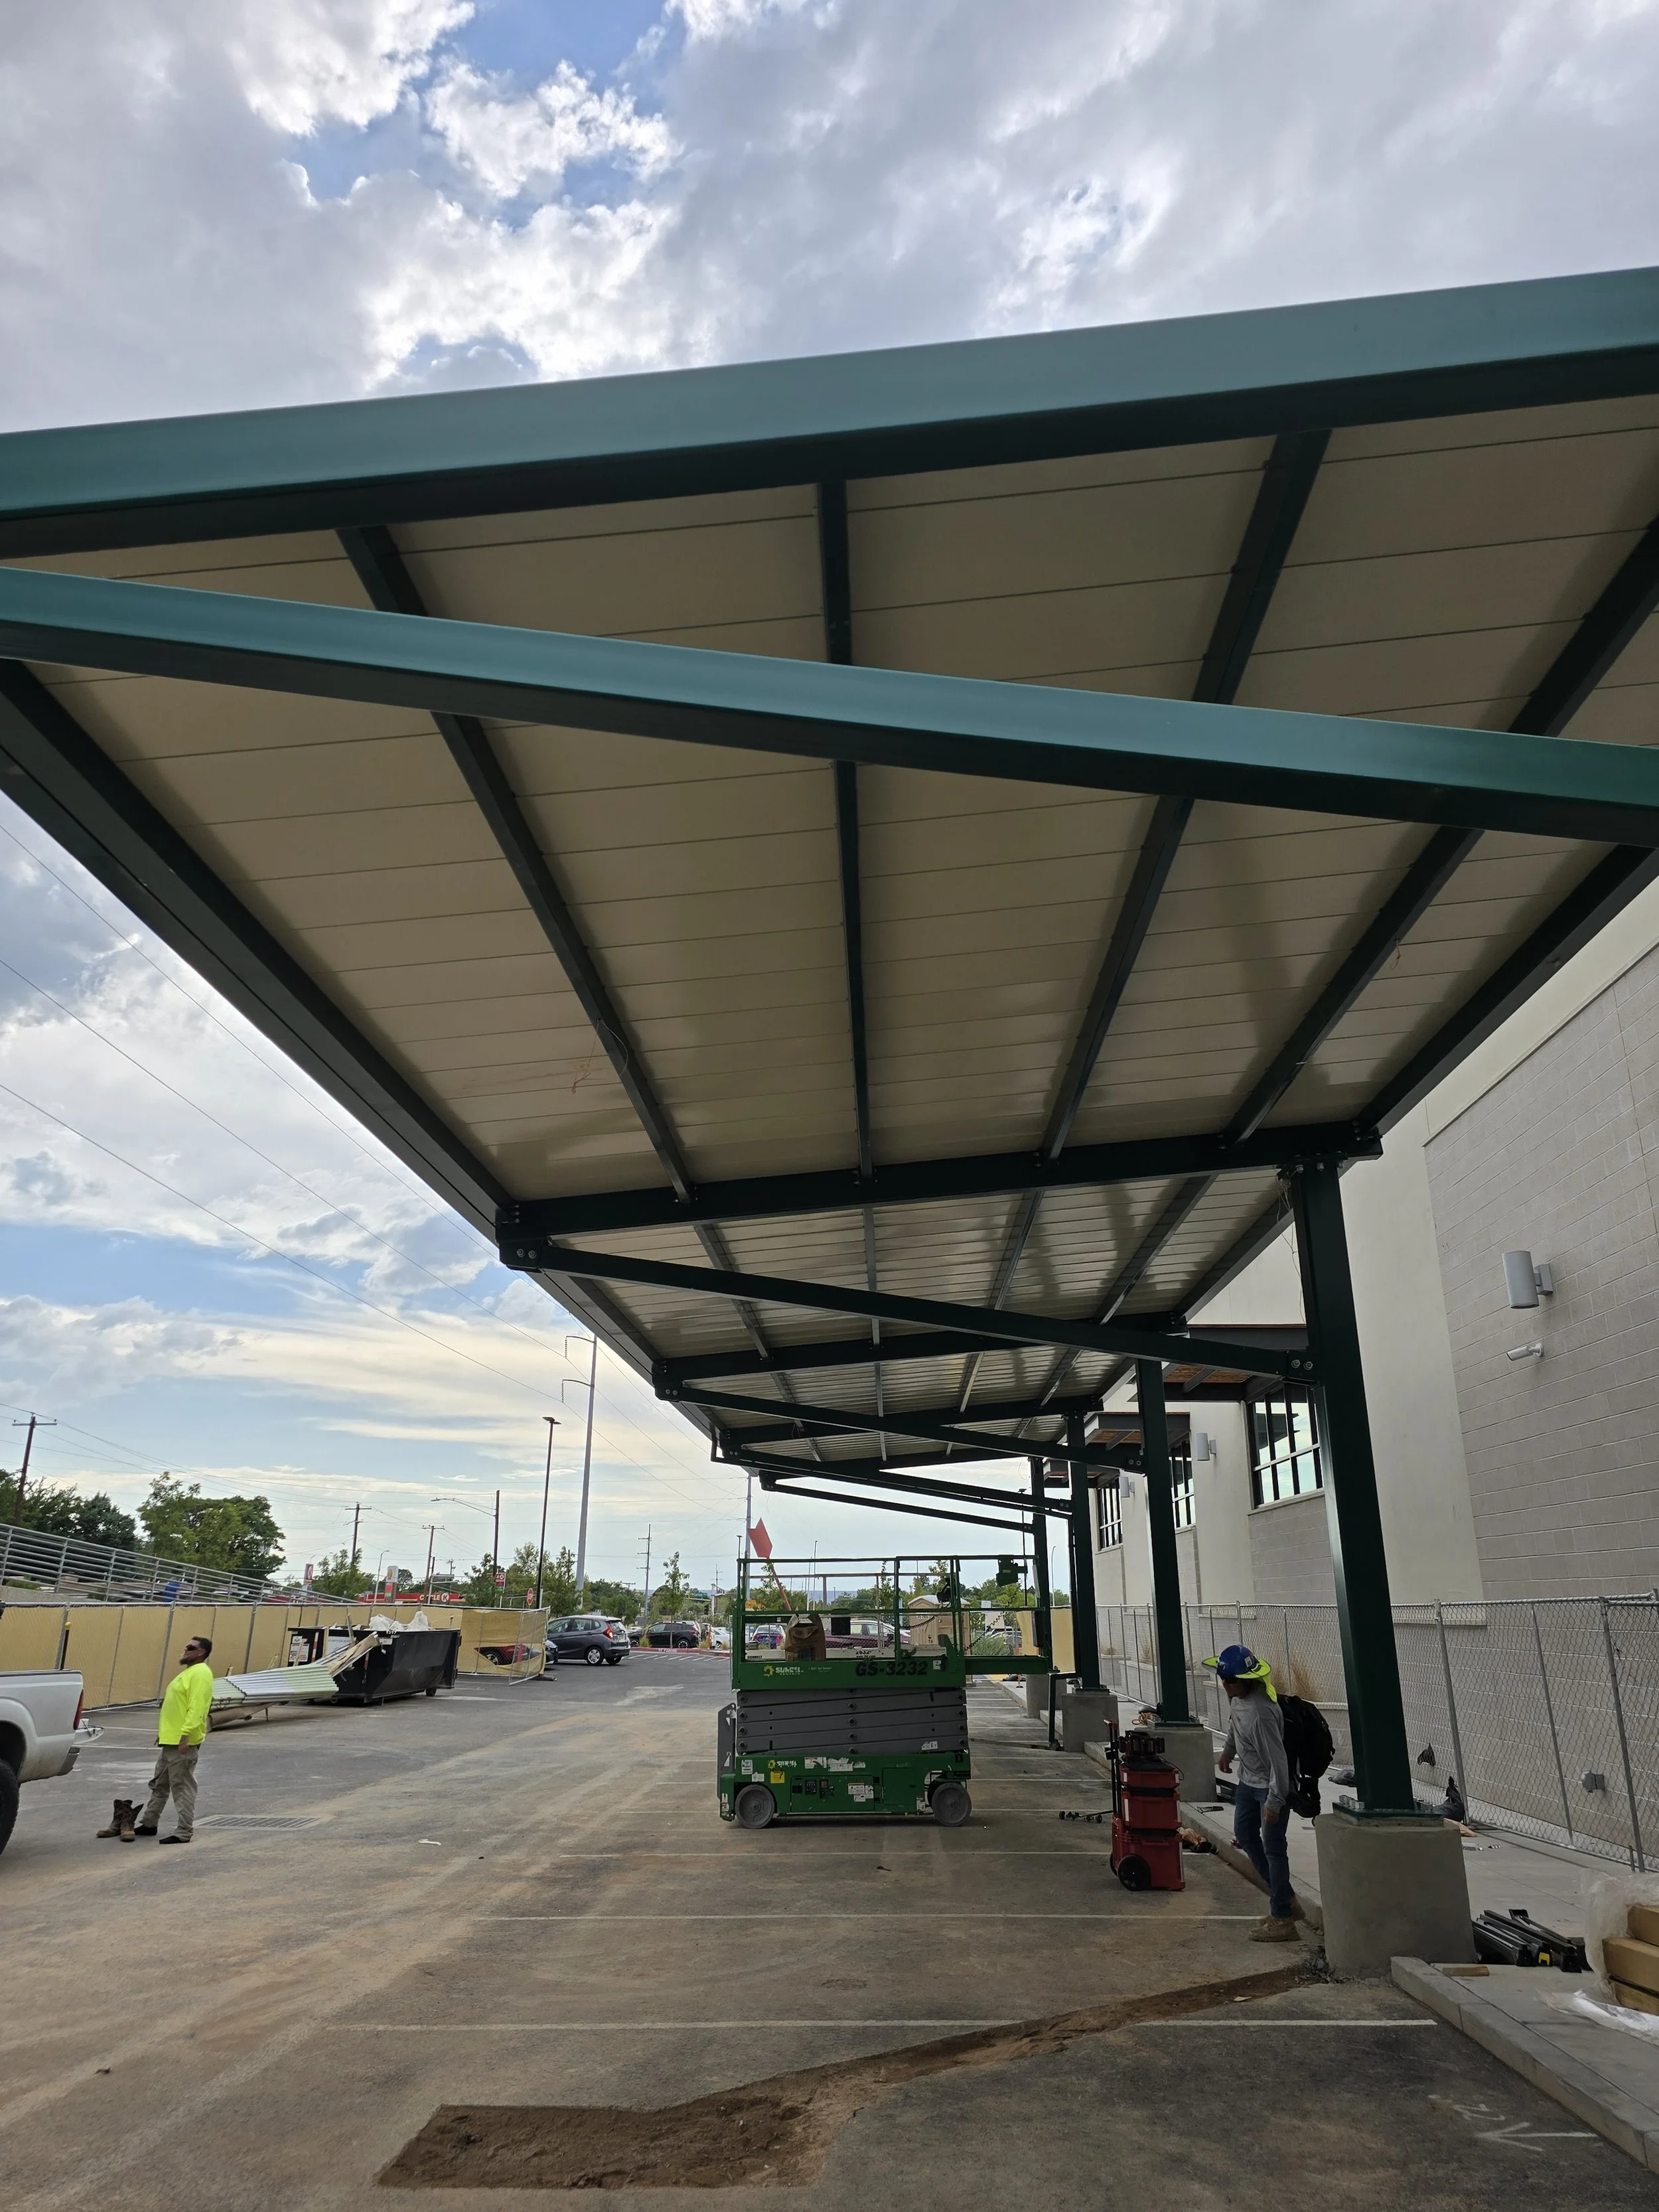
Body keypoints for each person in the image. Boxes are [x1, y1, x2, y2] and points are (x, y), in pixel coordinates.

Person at [1208, 1644, 1299, 1943]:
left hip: (1270, 1788)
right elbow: (1235, 1727)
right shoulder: (1238, 1699)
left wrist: (1275, 1802)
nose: (1225, 1684)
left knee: (1273, 1850)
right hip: (1248, 1782)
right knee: (1245, 1836)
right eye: (1223, 1679)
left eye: (1230, 1680)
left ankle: (1283, 1920)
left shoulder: (1262, 1713)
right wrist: (1228, 1752)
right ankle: (1283, 1900)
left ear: (1246, 1679)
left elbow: (1279, 1762)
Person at [137, 1633, 215, 1843]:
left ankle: (184, 1832)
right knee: (160, 1784)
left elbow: (197, 1708)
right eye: (186, 1647)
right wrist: (164, 1734)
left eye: (190, 1648)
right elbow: (177, 1708)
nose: (185, 1650)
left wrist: (185, 1735)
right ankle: (149, 1823)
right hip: (170, 1740)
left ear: (201, 1653)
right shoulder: (189, 1673)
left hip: (183, 1742)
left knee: (182, 1787)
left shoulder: (200, 1674)